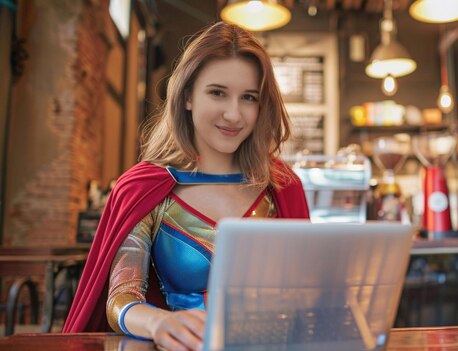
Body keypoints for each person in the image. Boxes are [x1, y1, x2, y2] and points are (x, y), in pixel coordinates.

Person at [63, 21, 310, 351]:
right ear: (188, 96)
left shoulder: (281, 187)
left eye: (248, 97)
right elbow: (121, 299)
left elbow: (308, 294)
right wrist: (158, 322)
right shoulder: (144, 188)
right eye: (217, 92)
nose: (234, 114)